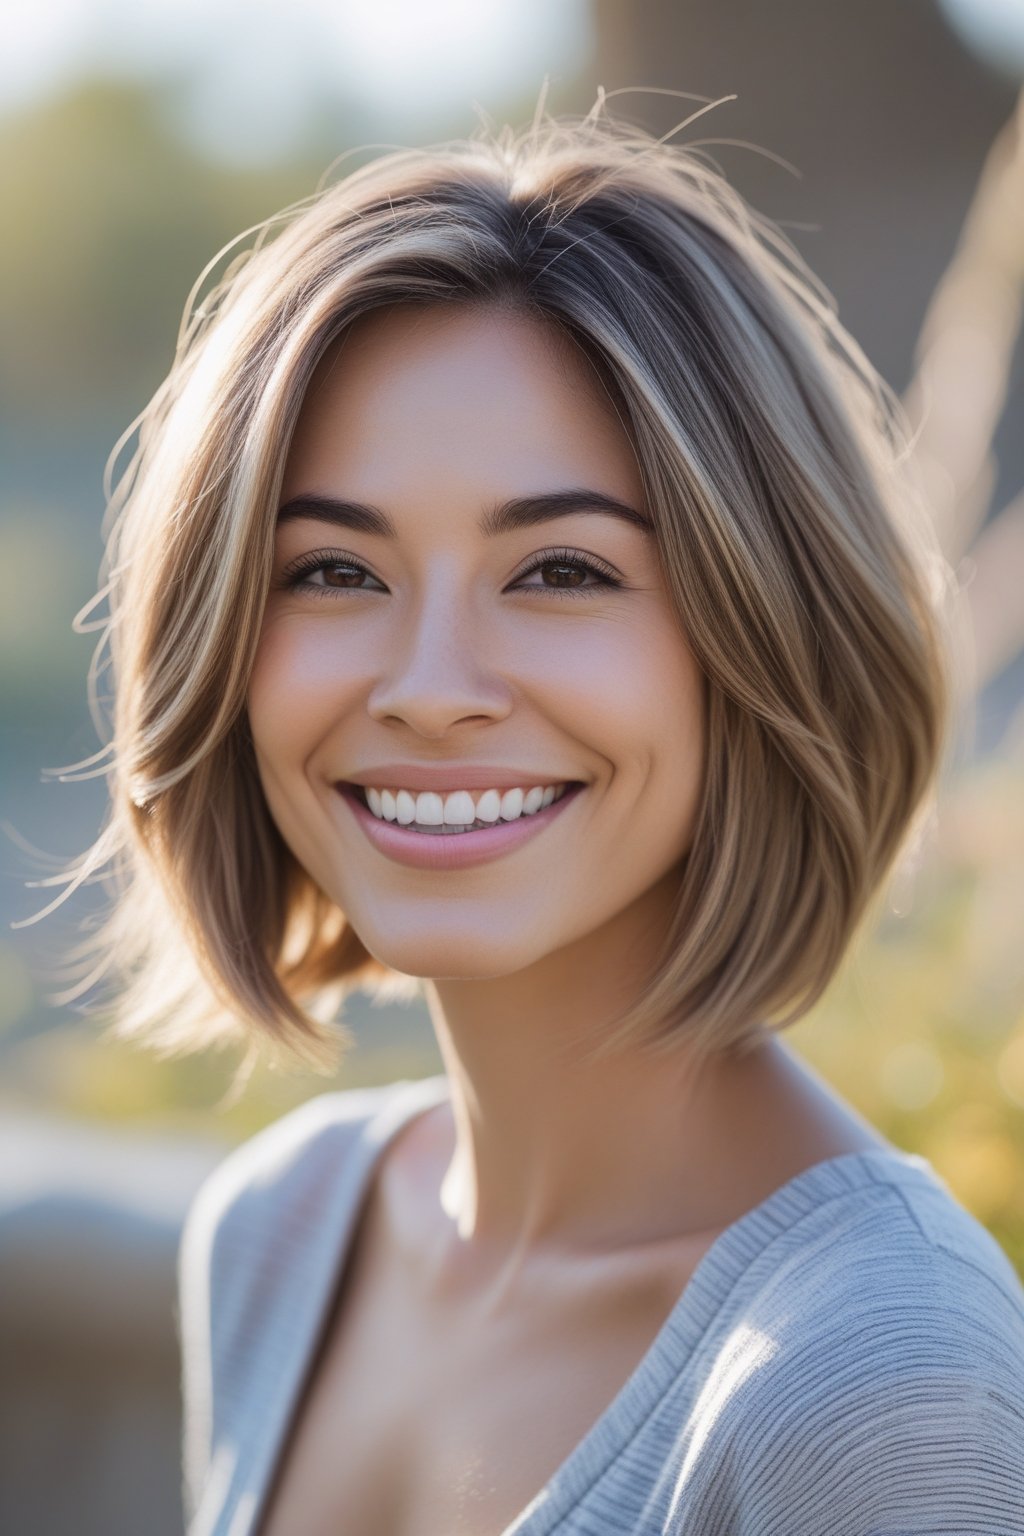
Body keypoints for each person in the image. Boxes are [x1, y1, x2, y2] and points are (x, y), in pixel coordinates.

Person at [68, 109, 1024, 1533]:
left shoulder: (884, 1383)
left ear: (764, 629)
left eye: (562, 569)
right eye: (332, 571)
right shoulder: (283, 1233)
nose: (430, 689)